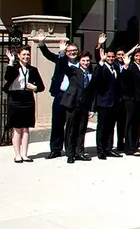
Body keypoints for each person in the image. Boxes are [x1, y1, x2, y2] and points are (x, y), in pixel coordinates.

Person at [35, 31, 79, 159]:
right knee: (57, 123)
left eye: (74, 50)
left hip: (74, 97)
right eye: (69, 50)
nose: (72, 52)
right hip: (61, 95)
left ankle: (71, 149)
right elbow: (47, 55)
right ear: (66, 51)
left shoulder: (80, 63)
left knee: (72, 125)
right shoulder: (60, 60)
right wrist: (42, 43)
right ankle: (55, 149)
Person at [3, 46, 45, 162]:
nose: (26, 57)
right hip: (15, 98)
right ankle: (17, 155)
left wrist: (34, 87)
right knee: (17, 128)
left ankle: (25, 154)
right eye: (24, 54)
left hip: (28, 98)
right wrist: (11, 62)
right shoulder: (14, 68)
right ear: (19, 56)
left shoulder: (33, 70)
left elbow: (41, 87)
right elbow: (7, 77)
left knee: (26, 128)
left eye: (28, 54)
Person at [60, 51, 97, 163]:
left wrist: (92, 109)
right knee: (71, 130)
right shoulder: (73, 71)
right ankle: (70, 154)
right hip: (72, 103)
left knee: (81, 129)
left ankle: (79, 152)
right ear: (79, 61)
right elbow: (62, 66)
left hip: (84, 105)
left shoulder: (91, 73)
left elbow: (92, 92)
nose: (86, 63)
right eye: (83, 61)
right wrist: (62, 54)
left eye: (87, 61)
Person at [119, 50, 140, 156]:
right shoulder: (130, 67)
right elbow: (123, 80)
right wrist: (125, 66)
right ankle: (129, 147)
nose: (138, 58)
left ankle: (135, 145)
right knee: (130, 123)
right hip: (130, 99)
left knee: (137, 123)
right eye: (137, 56)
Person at [93, 39, 121, 159]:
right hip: (103, 102)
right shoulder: (101, 67)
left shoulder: (116, 67)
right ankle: (100, 150)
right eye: (108, 57)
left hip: (114, 103)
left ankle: (109, 148)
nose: (110, 58)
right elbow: (96, 77)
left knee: (110, 127)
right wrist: (99, 47)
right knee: (102, 127)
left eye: (112, 57)